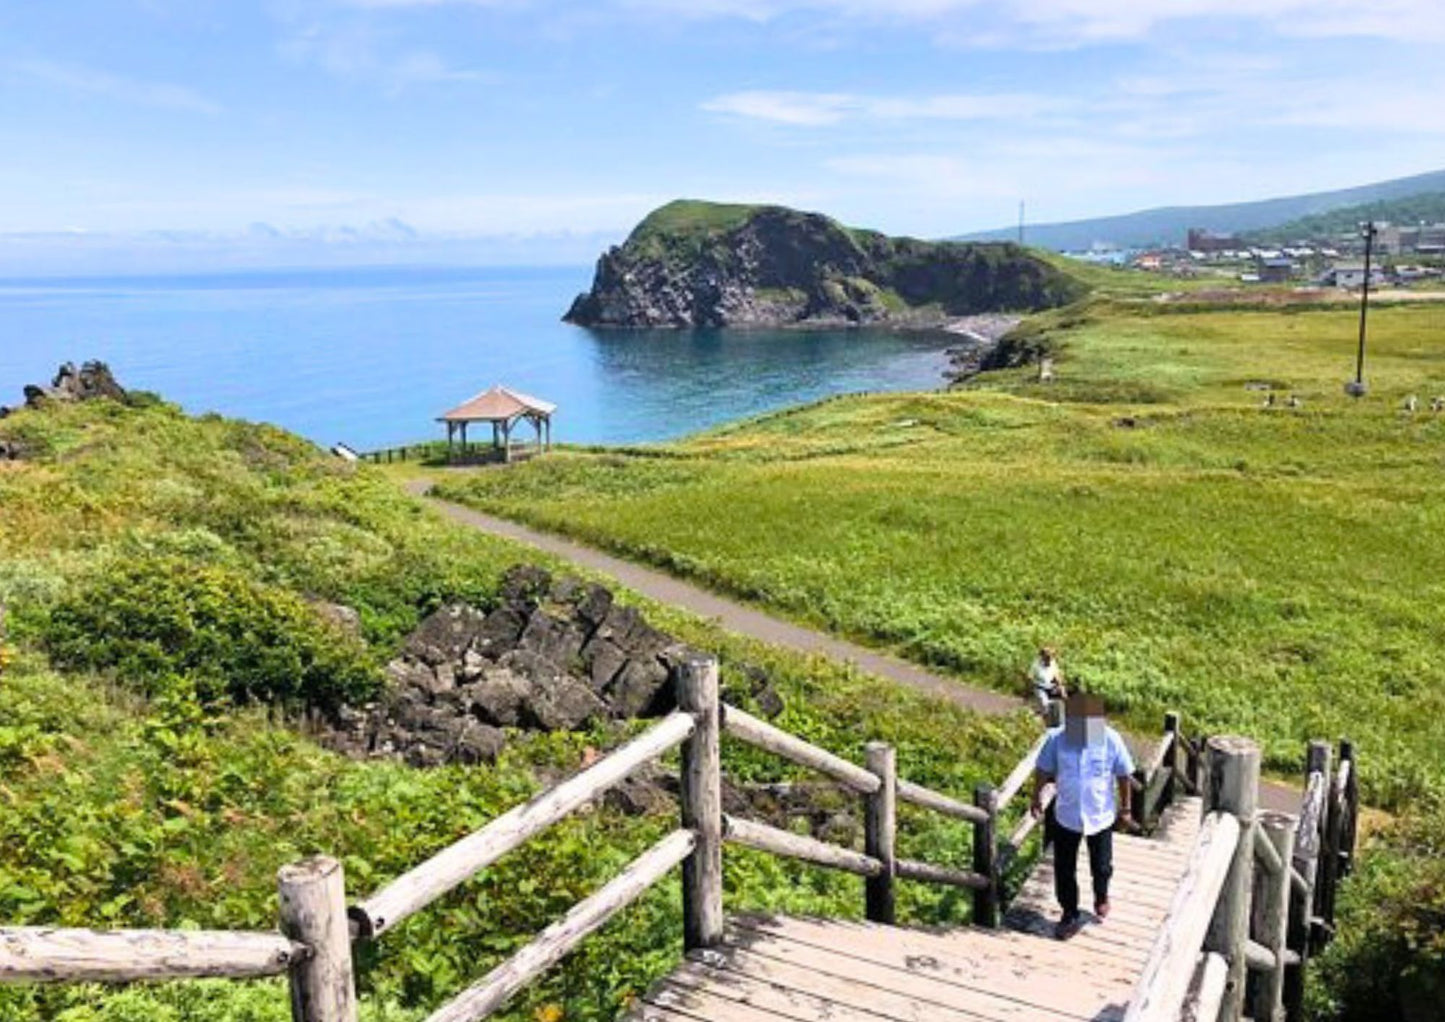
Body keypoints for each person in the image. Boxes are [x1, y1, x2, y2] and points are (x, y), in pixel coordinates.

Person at [1030, 693, 1134, 940]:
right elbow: (1043, 769)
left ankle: (1101, 894)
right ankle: (1069, 913)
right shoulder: (1057, 739)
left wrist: (1126, 809)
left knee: (1102, 865)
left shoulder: (1111, 739)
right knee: (1064, 869)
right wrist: (1036, 798)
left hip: (1100, 815)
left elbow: (1123, 775)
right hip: (1066, 814)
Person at [1028, 646, 1066, 717]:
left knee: (1061, 698)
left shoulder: (1053, 663)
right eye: (1047, 658)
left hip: (1050, 686)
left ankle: (1049, 709)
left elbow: (1057, 676)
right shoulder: (1036, 664)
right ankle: (1039, 712)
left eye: (1050, 658)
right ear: (1042, 658)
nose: (1048, 661)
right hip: (1039, 687)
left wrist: (1062, 689)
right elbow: (1030, 676)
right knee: (1044, 705)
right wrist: (1032, 685)